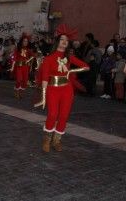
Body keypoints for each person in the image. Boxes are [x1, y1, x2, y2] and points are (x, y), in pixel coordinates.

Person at [35, 24, 89, 152]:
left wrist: (70, 72)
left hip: (66, 89)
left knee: (64, 116)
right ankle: (47, 139)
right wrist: (43, 97)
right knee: (53, 114)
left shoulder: (69, 57)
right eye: (62, 39)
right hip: (52, 89)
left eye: (67, 40)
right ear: (57, 42)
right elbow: (44, 79)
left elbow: (86, 67)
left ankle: (57, 140)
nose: (65, 42)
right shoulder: (49, 59)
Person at [10, 33, 35, 98]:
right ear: (22, 42)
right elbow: (14, 58)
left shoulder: (28, 50)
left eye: (26, 41)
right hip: (18, 67)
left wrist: (28, 60)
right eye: (24, 41)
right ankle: (17, 92)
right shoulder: (18, 49)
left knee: (24, 80)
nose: (25, 42)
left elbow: (33, 56)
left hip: (25, 67)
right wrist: (12, 67)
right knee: (19, 80)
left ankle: (20, 92)